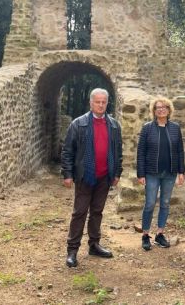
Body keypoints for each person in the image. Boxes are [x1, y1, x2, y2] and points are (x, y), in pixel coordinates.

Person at [61, 88, 123, 268]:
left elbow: (118, 151)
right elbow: (67, 151)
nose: (101, 105)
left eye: (104, 102)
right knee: (79, 213)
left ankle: (94, 245)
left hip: (104, 176)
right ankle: (72, 251)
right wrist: (67, 174)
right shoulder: (78, 124)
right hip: (84, 176)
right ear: (91, 103)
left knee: (97, 212)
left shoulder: (113, 125)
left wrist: (117, 172)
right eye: (98, 101)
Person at [137, 97, 185, 251]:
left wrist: (181, 172)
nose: (161, 109)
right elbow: (141, 152)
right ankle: (145, 235)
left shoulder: (175, 128)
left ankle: (159, 234)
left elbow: (180, 151)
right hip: (152, 172)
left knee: (165, 203)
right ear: (154, 111)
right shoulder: (147, 128)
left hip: (170, 172)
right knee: (150, 203)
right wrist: (141, 173)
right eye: (158, 107)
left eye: (164, 107)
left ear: (169, 109)